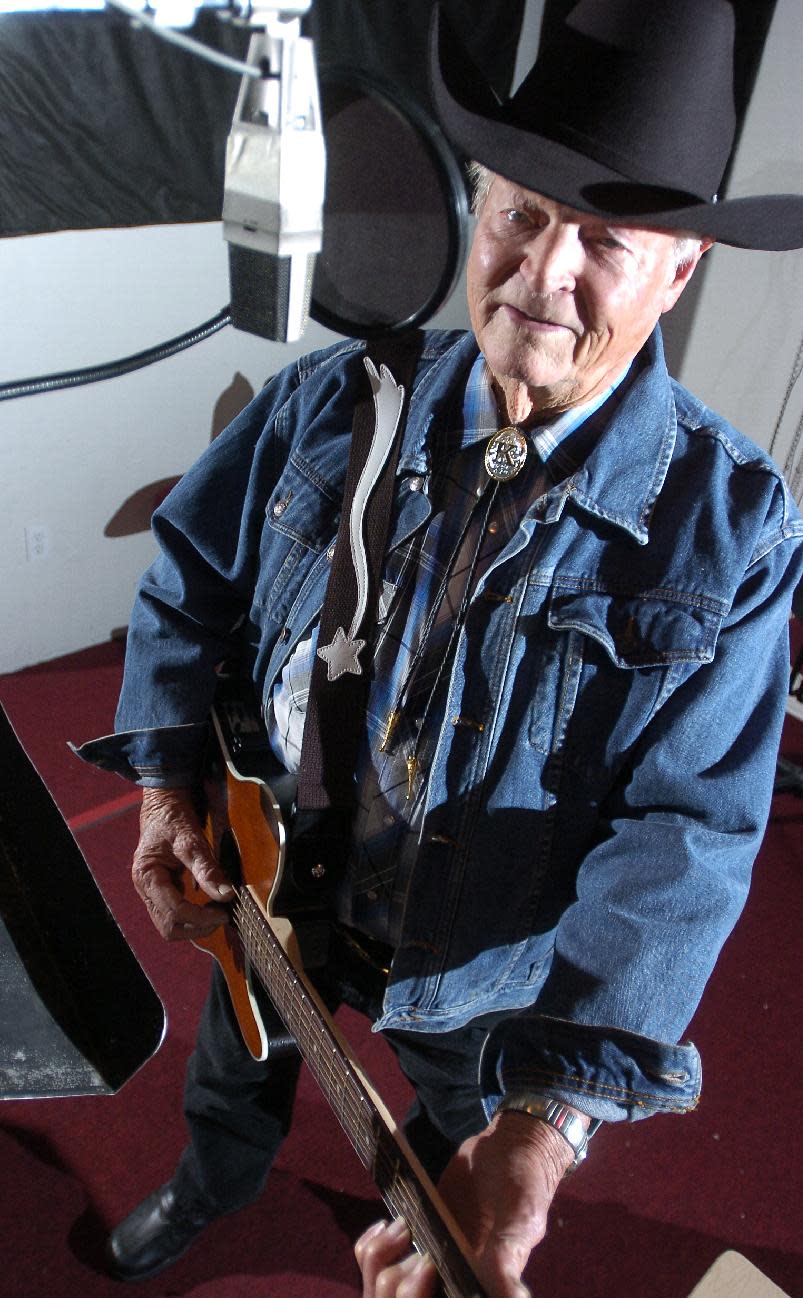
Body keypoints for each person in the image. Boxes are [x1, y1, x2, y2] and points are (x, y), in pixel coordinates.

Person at [75, 2, 803, 1295]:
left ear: (680, 267)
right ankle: (216, 1173)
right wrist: (159, 782)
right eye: (520, 214)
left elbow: (685, 832)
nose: (542, 272)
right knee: (236, 1054)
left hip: (484, 969)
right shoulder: (327, 398)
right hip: (274, 869)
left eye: (604, 242)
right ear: (478, 202)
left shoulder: (732, 531)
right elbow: (188, 581)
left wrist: (544, 1123)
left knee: (459, 1167)